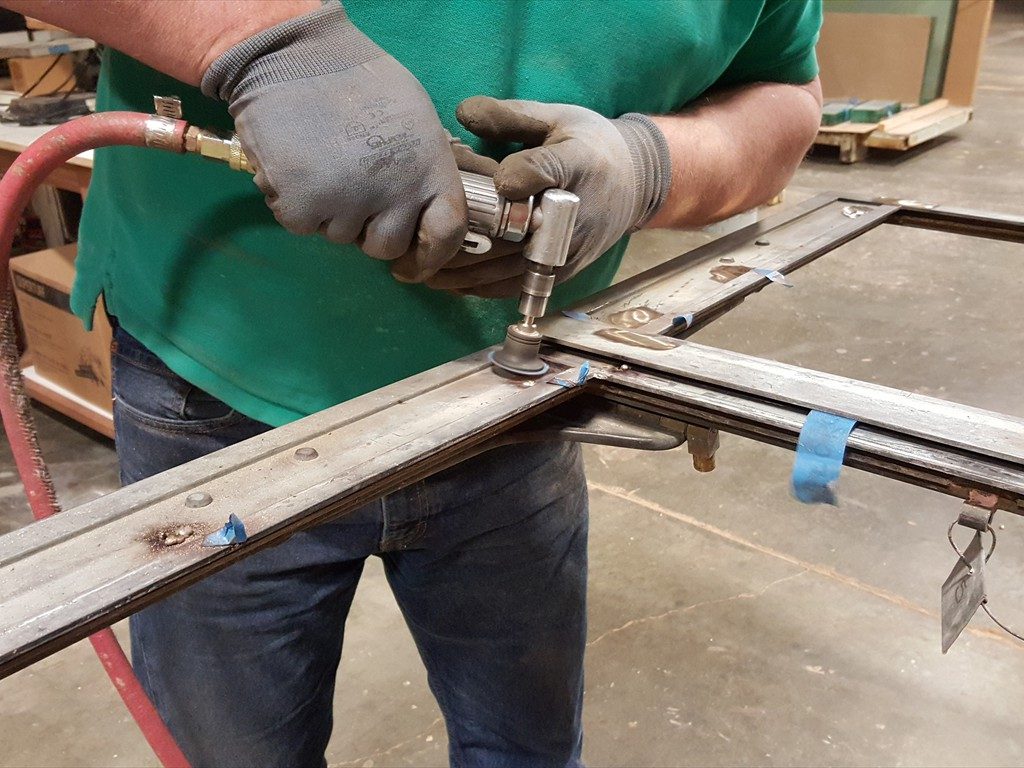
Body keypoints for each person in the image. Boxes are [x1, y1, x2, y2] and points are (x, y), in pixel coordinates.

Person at [7, 1, 823, 765]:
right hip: (217, 388)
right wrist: (264, 44)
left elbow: (784, 93)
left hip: (518, 406)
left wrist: (651, 164)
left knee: (527, 748)